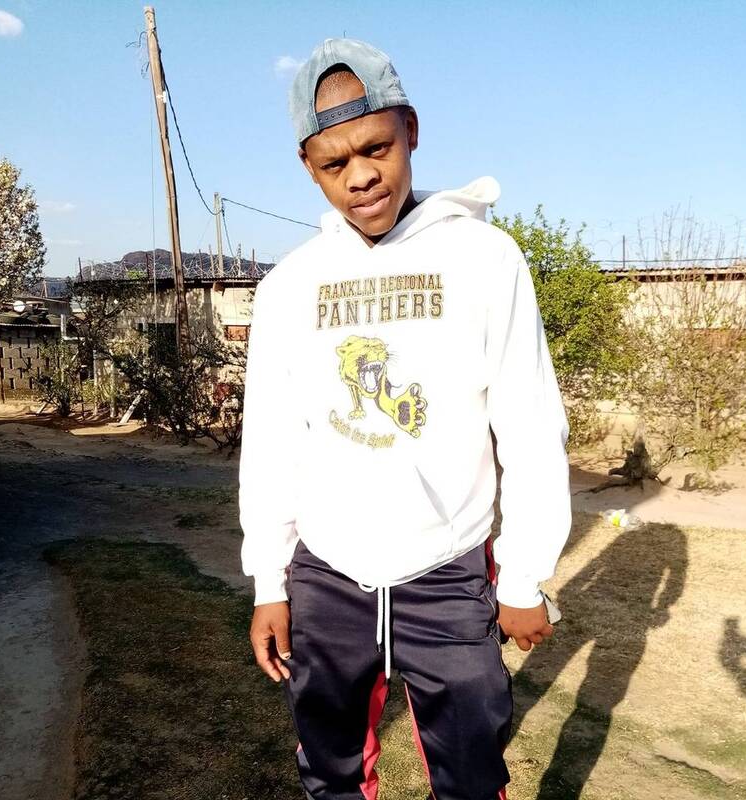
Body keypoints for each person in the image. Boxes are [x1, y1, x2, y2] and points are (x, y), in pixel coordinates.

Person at [238, 37, 572, 800]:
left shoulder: (485, 259)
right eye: (334, 163)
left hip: (446, 567)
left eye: (376, 148)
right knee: (330, 772)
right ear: (308, 167)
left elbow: (528, 422)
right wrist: (268, 581)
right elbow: (273, 445)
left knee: (471, 771)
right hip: (327, 573)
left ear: (411, 130)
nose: (360, 176)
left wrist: (524, 574)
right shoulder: (290, 287)